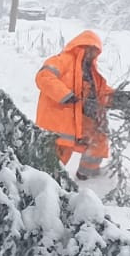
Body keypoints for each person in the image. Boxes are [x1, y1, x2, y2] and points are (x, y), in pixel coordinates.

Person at [34, 30, 115, 179]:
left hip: (80, 118)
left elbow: (101, 93)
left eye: (95, 51)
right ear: (80, 46)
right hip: (58, 119)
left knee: (99, 139)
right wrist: (64, 95)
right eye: (89, 49)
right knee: (56, 156)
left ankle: (88, 175)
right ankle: (45, 182)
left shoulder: (92, 72)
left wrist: (116, 98)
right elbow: (43, 77)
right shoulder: (62, 60)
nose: (92, 53)